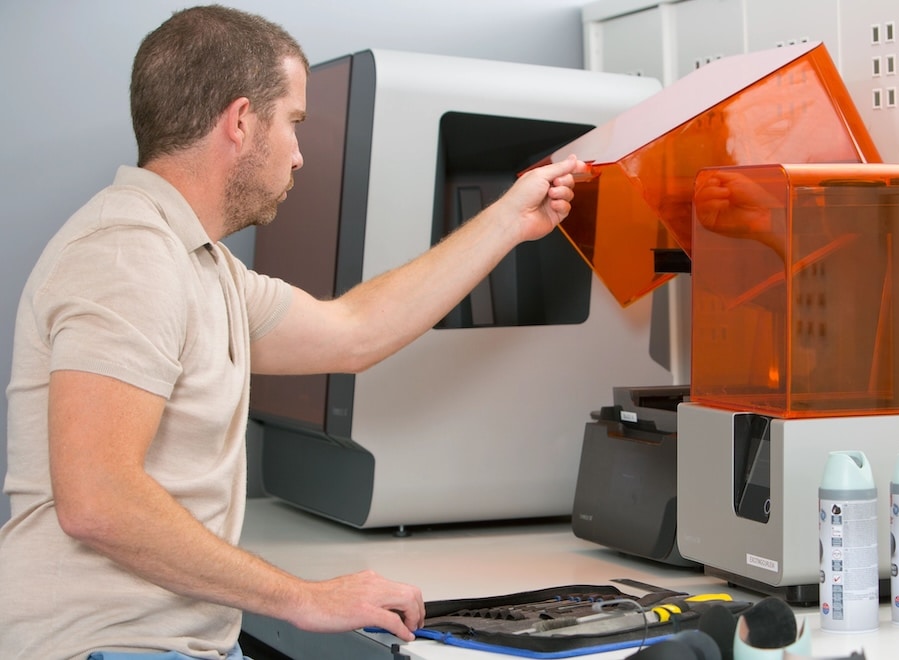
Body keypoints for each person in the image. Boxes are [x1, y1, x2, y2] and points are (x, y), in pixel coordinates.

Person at [0, 5, 586, 660]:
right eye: (294, 123)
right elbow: (97, 499)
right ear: (243, 121)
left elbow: (354, 329)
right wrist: (302, 597)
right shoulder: (126, 255)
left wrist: (508, 219)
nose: (300, 154)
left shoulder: (197, 263)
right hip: (106, 649)